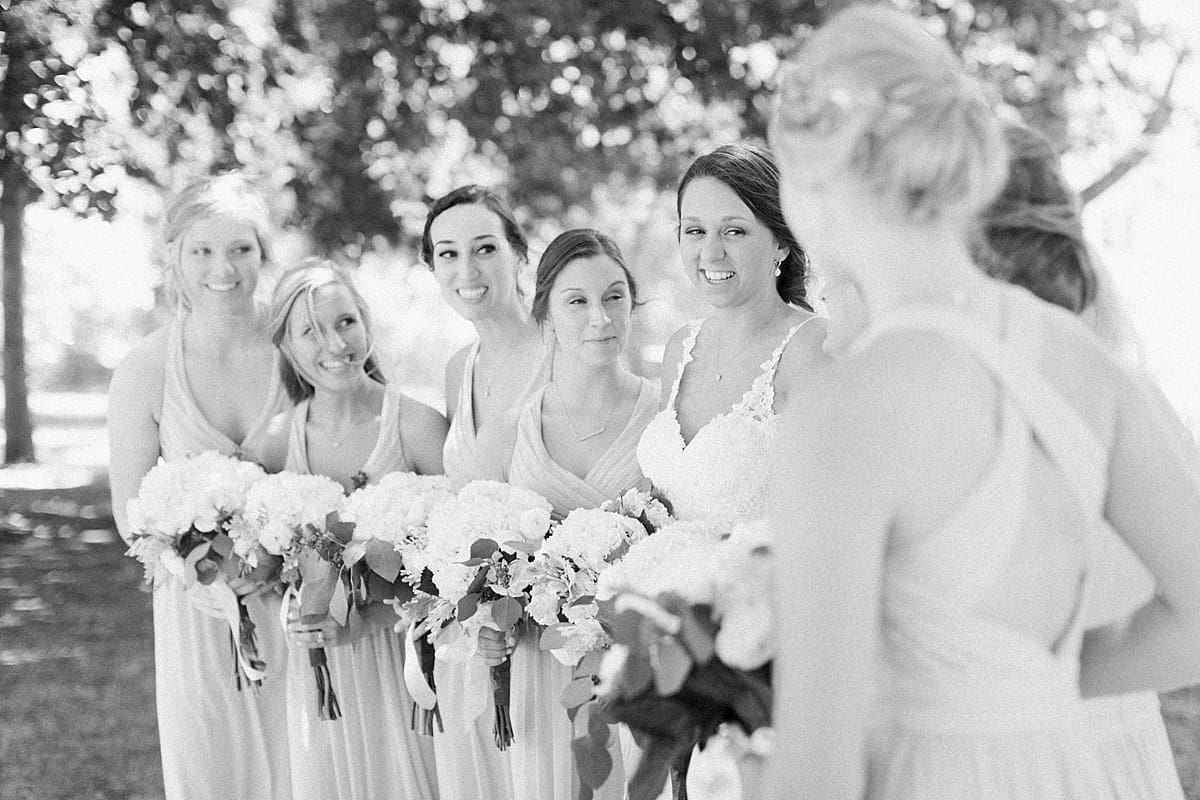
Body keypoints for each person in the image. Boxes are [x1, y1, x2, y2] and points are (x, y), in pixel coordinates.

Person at [765, 6, 1200, 799]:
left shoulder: (841, 410)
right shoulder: (1081, 358)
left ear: (813, 182)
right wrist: (1029, 686)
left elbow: (816, 776)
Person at [634, 142, 827, 798]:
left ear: (782, 242)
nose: (709, 252)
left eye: (734, 231)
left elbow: (833, 521)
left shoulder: (813, 350)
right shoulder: (678, 349)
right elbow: (664, 502)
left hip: (769, 658)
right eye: (694, 230)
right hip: (671, 653)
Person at [107, 173, 292, 800]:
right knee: (212, 772)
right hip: (197, 611)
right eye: (202, 250)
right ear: (175, 257)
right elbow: (132, 515)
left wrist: (282, 556)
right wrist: (205, 573)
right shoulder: (146, 369)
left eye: (240, 248)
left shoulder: (299, 349)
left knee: (306, 771)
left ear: (263, 253)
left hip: (300, 604)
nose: (223, 269)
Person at [267, 262, 444, 800]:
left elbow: (455, 571)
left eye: (345, 322)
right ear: (286, 346)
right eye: (310, 331)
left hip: (408, 665)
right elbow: (265, 560)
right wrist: (293, 608)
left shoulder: (417, 426)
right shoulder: (277, 441)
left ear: (365, 321)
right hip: (322, 674)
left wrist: (367, 621)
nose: (335, 344)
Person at [498, 228, 657, 799]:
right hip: (541, 663)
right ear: (545, 315)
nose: (600, 317)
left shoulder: (664, 414)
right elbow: (493, 558)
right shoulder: (517, 425)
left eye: (614, 297)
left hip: (639, 665)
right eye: (577, 301)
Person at [419, 184, 549, 800]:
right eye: (447, 254)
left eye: (485, 248)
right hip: (481, 630)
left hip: (550, 617)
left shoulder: (563, 345)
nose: (466, 270)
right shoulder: (457, 369)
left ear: (519, 254)